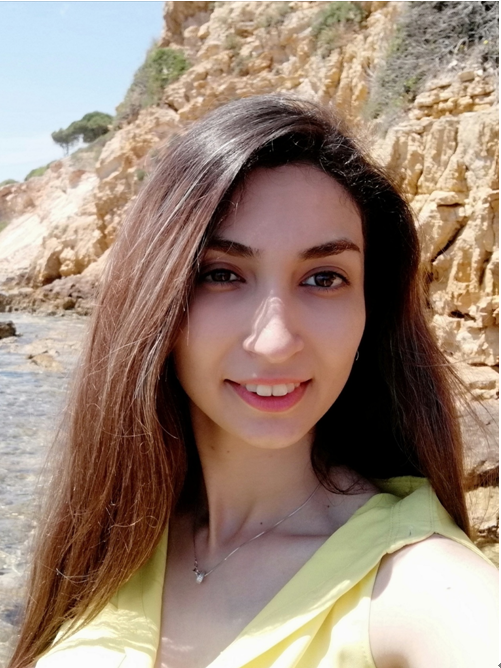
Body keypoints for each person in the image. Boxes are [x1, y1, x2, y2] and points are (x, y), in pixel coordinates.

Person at [9, 95, 498, 668]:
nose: (274, 342)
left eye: (324, 278)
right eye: (222, 274)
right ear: (154, 297)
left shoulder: (419, 586)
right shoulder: (109, 539)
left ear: (372, 309)